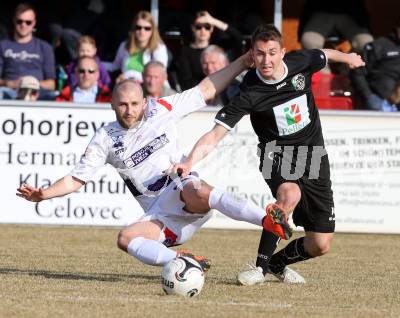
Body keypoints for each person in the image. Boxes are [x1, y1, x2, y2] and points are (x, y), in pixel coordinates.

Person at [17, 52, 290, 272]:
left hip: (185, 190)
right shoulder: (105, 138)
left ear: (145, 102)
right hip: (162, 214)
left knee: (195, 188)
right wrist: (45, 194)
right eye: (123, 105)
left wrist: (242, 62)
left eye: (135, 104)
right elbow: (76, 178)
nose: (130, 110)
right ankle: (181, 262)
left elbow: (205, 89)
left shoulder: (162, 109)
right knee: (125, 239)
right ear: (112, 104)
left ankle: (266, 219)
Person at [169, 24, 365, 285]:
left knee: (320, 244)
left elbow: (323, 53)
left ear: (283, 52)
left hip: (314, 156)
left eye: (272, 53)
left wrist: (348, 57)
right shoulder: (250, 91)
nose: (266, 60)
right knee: (289, 194)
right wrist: (189, 161)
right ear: (252, 54)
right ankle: (259, 268)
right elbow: (215, 134)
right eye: (260, 54)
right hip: (276, 154)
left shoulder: (300, 62)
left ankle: (276, 263)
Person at [175, 11, 243, 90]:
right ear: (193, 28)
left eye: (207, 26)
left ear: (212, 29)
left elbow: (239, 38)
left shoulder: (218, 46)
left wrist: (213, 21)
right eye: (198, 27)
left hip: (223, 89)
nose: (203, 30)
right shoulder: (185, 51)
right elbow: (186, 81)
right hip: (201, 92)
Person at [0, 3, 56, 100]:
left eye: (28, 22)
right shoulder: (2, 45)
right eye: (19, 21)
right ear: (14, 21)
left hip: (37, 92)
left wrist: (32, 83)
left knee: (54, 96)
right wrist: (9, 83)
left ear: (34, 23)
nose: (23, 25)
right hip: (10, 92)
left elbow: (52, 84)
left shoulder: (44, 47)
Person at [112, 10, 168, 83]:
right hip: (126, 86)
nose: (142, 31)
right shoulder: (125, 45)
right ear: (134, 28)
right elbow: (115, 66)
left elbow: (158, 75)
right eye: (138, 27)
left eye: (147, 28)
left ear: (153, 30)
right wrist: (97, 63)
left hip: (149, 89)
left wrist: (127, 75)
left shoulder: (159, 48)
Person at [299, 0, 373, 54]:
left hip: (351, 12)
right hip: (321, 10)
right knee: (309, 41)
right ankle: (323, 73)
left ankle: (349, 71)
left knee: (366, 42)